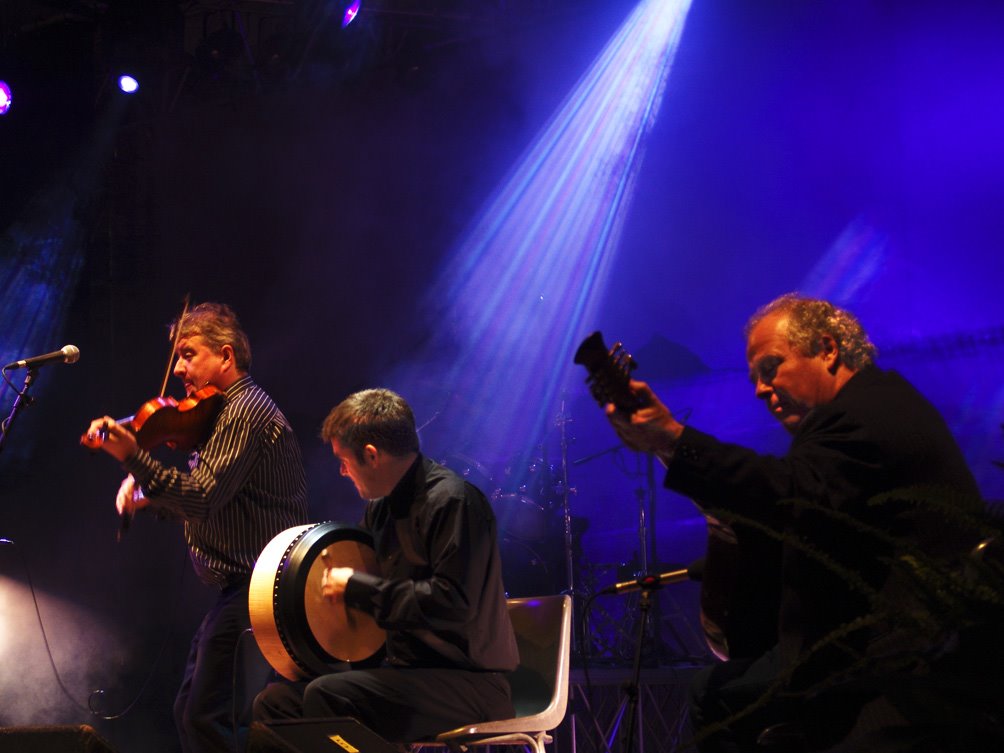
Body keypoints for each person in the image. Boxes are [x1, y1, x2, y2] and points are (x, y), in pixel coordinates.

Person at [604, 294, 983, 752]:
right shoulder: (863, 411)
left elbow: (791, 496)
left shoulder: (867, 414)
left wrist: (674, 438)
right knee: (713, 689)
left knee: (716, 697)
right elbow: (802, 509)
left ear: (827, 350)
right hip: (872, 646)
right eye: (755, 379)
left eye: (771, 368)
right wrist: (667, 447)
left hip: (901, 664)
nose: (761, 390)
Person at [84, 302, 309, 753]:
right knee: (194, 712)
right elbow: (210, 500)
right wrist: (147, 497)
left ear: (225, 356)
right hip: (245, 588)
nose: (180, 369)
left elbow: (202, 497)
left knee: (207, 717)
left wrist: (134, 456)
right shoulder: (219, 415)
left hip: (262, 585)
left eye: (189, 355)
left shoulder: (244, 411)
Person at [252, 388, 519, 745]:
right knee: (276, 703)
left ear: (371, 455)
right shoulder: (380, 510)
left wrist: (357, 588)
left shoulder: (453, 502)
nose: (343, 472)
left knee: (329, 697)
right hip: (408, 674)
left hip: (470, 682)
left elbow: (453, 603)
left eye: (343, 461)